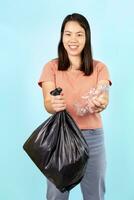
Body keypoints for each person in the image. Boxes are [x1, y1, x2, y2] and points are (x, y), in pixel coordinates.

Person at [38, 13, 112, 200]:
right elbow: (48, 102)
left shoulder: (100, 68)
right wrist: (53, 103)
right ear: (62, 36)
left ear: (87, 37)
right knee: (56, 195)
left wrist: (101, 102)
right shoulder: (51, 67)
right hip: (61, 136)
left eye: (79, 34)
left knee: (95, 195)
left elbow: (104, 96)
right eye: (68, 34)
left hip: (93, 139)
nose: (73, 39)